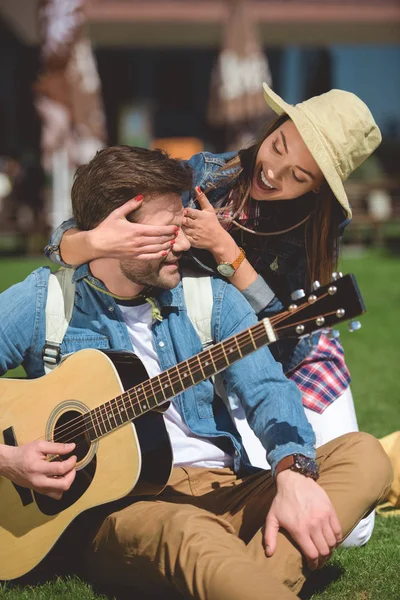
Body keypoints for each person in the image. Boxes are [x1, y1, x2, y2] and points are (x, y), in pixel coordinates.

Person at [0, 146, 392, 600]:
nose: (185, 244)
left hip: (228, 487)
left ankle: (236, 575)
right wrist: (9, 461)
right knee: (189, 533)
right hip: (130, 509)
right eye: (169, 232)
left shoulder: (214, 298)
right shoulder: (45, 301)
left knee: (365, 455)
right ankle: (249, 569)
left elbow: (268, 391)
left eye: (183, 228)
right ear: (114, 230)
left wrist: (292, 472)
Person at [45, 83, 382, 546]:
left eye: (298, 176)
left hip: (289, 354)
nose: (273, 171)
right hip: (210, 352)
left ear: (318, 187)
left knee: (354, 528)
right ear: (275, 127)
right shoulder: (204, 174)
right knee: (276, 488)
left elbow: (295, 345)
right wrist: (97, 243)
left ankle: (382, 458)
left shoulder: (314, 226)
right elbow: (72, 233)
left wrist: (231, 256)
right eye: (278, 146)